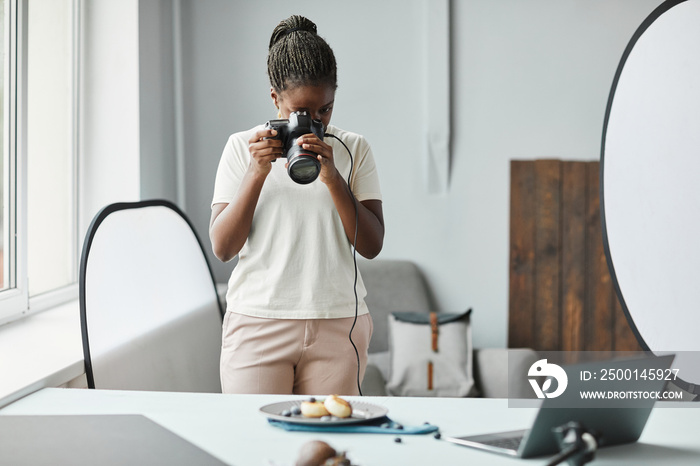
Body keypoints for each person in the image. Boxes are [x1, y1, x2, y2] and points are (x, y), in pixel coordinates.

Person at [209, 15, 384, 395]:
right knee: (254, 449)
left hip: (338, 322)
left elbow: (371, 245)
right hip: (258, 322)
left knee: (328, 449)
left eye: (325, 110)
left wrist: (333, 177)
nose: (315, 123)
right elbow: (223, 248)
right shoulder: (243, 148)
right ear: (275, 99)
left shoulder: (353, 148)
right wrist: (257, 172)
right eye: (301, 113)